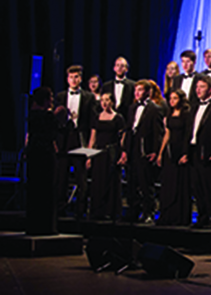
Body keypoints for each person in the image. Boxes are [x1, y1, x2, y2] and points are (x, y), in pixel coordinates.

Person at [118, 80, 164, 223]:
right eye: (136, 90)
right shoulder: (132, 107)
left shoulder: (155, 109)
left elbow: (158, 132)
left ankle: (148, 212)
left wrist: (155, 151)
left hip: (145, 149)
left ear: (148, 92)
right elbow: (128, 129)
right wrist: (125, 150)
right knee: (131, 181)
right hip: (132, 147)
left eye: (140, 90)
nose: (137, 93)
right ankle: (133, 210)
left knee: (146, 183)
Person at [55, 65, 97, 218]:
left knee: (81, 177)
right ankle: (60, 208)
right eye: (71, 77)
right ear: (67, 79)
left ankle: (80, 210)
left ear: (81, 78)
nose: (74, 80)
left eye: (77, 77)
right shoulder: (60, 96)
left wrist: (90, 148)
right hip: (63, 139)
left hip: (80, 139)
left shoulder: (88, 97)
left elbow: (93, 123)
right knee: (61, 176)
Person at [187, 76, 211, 229]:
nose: (198, 90)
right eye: (197, 87)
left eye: (202, 87)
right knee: (197, 186)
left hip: (209, 153)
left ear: (210, 89)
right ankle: (202, 216)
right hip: (195, 151)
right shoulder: (195, 106)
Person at [25, 87, 60, 235]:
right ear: (45, 100)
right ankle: (46, 227)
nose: (52, 100)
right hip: (45, 155)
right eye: (50, 98)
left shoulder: (31, 115)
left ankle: (33, 225)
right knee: (46, 190)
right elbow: (52, 133)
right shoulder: (47, 117)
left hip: (34, 153)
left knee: (34, 190)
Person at [155, 89, 192, 226]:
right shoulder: (169, 113)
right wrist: (161, 152)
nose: (171, 101)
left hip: (181, 150)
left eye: (175, 98)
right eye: (170, 98)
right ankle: (167, 214)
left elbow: (188, 134)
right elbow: (167, 133)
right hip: (169, 151)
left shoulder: (187, 114)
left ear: (181, 99)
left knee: (180, 184)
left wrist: (185, 153)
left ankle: (180, 216)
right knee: (168, 184)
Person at [86, 92, 125, 220]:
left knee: (111, 181)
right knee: (98, 181)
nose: (104, 102)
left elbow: (122, 138)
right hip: (99, 154)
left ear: (112, 102)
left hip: (112, 152)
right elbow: (93, 138)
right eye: (102, 100)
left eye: (107, 100)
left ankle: (111, 210)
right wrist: (89, 156)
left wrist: (122, 153)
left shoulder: (118, 118)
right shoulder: (96, 117)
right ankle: (98, 210)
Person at [102, 57, 136, 123]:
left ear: (126, 69)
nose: (119, 68)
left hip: (126, 120)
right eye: (117, 65)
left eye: (122, 66)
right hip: (109, 120)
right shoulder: (106, 86)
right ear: (114, 68)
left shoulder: (133, 85)